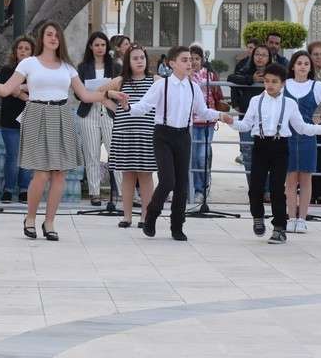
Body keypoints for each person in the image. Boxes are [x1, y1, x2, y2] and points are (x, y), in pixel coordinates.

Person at [0, 22, 127, 241]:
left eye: (57, 35)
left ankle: (49, 222)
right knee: (41, 173)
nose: (53, 38)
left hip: (61, 115)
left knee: (59, 174)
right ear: (42, 38)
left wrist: (110, 95)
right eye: (49, 34)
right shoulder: (29, 63)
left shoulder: (67, 67)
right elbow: (5, 89)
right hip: (37, 114)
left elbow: (85, 95)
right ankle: (30, 218)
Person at [124, 45, 233, 242]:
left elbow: (202, 111)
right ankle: (151, 215)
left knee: (182, 184)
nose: (189, 63)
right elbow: (144, 106)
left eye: (190, 60)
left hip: (183, 136)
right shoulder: (161, 85)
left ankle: (177, 226)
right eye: (184, 60)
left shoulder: (194, 88)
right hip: (163, 135)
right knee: (167, 180)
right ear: (172, 63)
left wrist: (220, 115)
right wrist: (128, 107)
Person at [230, 62, 321, 242]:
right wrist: (230, 121)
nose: (270, 85)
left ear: (283, 83)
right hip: (260, 146)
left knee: (277, 188)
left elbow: (302, 127)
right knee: (255, 187)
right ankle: (257, 216)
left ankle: (279, 227)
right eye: (267, 81)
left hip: (280, 147)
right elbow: (246, 125)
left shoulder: (290, 104)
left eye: (274, 82)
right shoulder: (256, 101)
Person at [283, 50, 321, 231]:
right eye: (299, 63)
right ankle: (291, 218)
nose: (302, 67)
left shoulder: (316, 86)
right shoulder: (284, 84)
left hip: (308, 136)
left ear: (310, 67)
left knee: (305, 179)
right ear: (293, 66)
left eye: (306, 64)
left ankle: (302, 219)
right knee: (290, 180)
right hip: (287, 137)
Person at [106, 45, 157, 229]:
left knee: (145, 176)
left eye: (142, 57)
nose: (139, 61)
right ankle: (126, 216)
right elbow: (96, 92)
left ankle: (145, 217)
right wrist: (112, 99)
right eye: (135, 58)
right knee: (127, 175)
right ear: (128, 61)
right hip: (124, 133)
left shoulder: (155, 80)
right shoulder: (120, 80)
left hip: (147, 134)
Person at [75, 32, 116, 206]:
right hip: (88, 112)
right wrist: (89, 92)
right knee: (92, 154)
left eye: (103, 45)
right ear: (91, 47)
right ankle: (94, 193)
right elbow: (77, 93)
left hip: (109, 111)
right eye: (97, 45)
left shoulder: (114, 66)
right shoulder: (83, 67)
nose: (100, 48)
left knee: (115, 153)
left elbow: (121, 88)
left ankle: (122, 192)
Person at [0, 36, 34, 204]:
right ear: (15, 51)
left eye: (27, 49)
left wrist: (20, 88)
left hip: (30, 118)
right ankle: (8, 189)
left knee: (27, 156)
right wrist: (28, 96)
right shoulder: (7, 70)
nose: (23, 51)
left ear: (32, 52)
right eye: (20, 48)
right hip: (10, 119)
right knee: (12, 155)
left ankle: (24, 190)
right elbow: (10, 90)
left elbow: (36, 87)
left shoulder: (36, 71)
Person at [188, 45, 225, 207]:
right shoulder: (184, 76)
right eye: (191, 59)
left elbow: (218, 95)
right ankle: (193, 189)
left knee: (202, 156)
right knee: (192, 157)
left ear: (202, 60)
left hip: (207, 122)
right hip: (189, 122)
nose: (194, 62)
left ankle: (202, 189)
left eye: (197, 58)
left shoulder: (210, 75)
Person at [228, 44, 271, 180]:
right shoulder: (245, 69)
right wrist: (251, 79)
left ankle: (266, 188)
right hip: (247, 118)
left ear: (269, 58)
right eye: (257, 54)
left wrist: (267, 80)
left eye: (264, 55)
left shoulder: (274, 72)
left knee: (266, 156)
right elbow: (231, 78)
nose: (260, 57)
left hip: (267, 120)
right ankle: (253, 187)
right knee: (248, 154)